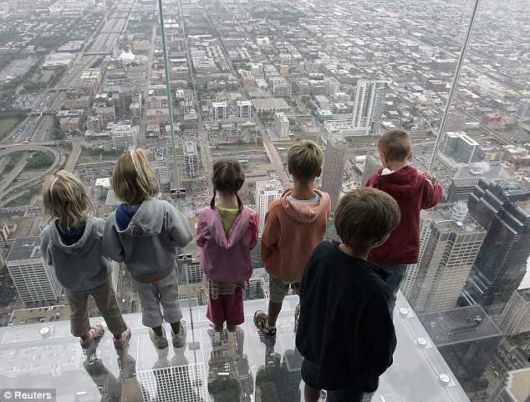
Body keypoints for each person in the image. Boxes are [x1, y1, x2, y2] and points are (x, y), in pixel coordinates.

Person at [296, 188, 401, 402]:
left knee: (311, 379)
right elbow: (382, 343)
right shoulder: (375, 288)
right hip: (347, 367)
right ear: (379, 239)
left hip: (315, 344)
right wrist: (376, 367)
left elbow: (306, 290)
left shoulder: (322, 251)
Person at [103, 149, 192, 349]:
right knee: (171, 302)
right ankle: (178, 334)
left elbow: (113, 252)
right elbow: (184, 237)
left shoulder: (114, 219)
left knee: (149, 307)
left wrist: (128, 255)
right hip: (165, 270)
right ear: (148, 178)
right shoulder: (164, 209)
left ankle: (159, 338)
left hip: (140, 275)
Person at [40, 170, 131, 353]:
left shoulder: (48, 235)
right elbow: (112, 250)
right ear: (82, 198)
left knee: (77, 311)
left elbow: (48, 259)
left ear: (51, 206)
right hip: (99, 277)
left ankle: (85, 338)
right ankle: (120, 337)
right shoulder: (97, 226)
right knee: (109, 308)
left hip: (71, 282)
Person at [254, 140, 331, 336]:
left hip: (282, 266)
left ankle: (270, 326)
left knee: (276, 298)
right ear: (319, 172)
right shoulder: (326, 201)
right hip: (309, 266)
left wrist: (268, 259)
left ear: (289, 171)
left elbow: (269, 239)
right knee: (306, 296)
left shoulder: (279, 208)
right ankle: (304, 319)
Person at [366, 129, 443, 312]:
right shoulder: (422, 183)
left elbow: (365, 203)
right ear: (409, 155)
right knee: (389, 296)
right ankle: (383, 333)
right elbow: (432, 199)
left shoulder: (377, 182)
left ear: (383, 157)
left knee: (366, 291)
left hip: (375, 249)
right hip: (400, 254)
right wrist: (436, 185)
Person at [196, 160, 259, 333]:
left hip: (214, 272)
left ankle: (217, 327)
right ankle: (232, 328)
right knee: (234, 301)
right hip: (237, 273)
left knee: (215, 302)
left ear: (215, 184)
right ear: (240, 184)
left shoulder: (204, 216)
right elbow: (252, 244)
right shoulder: (251, 217)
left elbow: (200, 241)